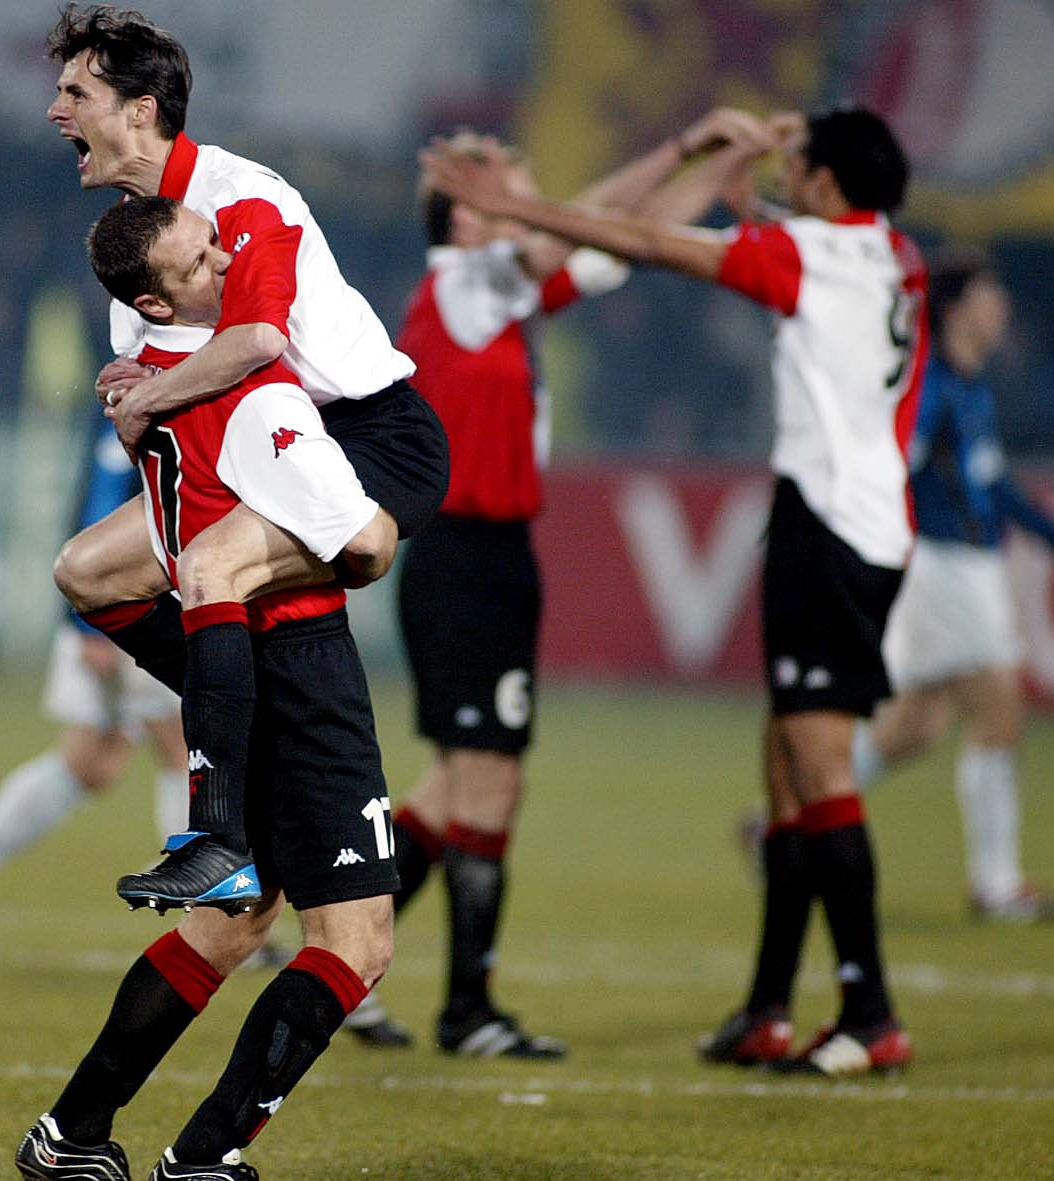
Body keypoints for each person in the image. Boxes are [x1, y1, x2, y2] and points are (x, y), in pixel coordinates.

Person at [423, 105, 925, 1077]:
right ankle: (768, 1007)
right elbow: (772, 229)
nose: (788, 175)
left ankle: (867, 1007)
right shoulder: (892, 255)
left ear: (821, 188)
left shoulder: (804, 258)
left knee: (818, 766)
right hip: (866, 518)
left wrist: (529, 209)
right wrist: (736, 179)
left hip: (826, 525)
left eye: (798, 166)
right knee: (784, 763)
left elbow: (650, 243)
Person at [360, 115, 776, 1057]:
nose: (530, 199)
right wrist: (676, 145)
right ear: (468, 214)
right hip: (465, 557)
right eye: (510, 186)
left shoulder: (507, 289)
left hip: (492, 557)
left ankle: (340, 959)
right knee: (492, 783)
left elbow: (634, 237)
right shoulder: (466, 282)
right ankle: (467, 1009)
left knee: (452, 784)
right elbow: (574, 223)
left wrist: (717, 163)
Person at [16, 194, 397, 1181]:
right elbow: (360, 542)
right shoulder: (260, 397)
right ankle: (202, 1154)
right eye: (200, 257)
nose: (226, 261)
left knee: (230, 921)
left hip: (225, 659)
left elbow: (119, 558)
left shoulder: (146, 378)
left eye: (217, 241)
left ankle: (70, 1132)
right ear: (156, 294)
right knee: (353, 943)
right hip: (303, 668)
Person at [42, 4, 449, 914]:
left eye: (76, 91)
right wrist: (137, 399)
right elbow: (167, 398)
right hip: (269, 445)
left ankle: (219, 834)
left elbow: (260, 337)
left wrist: (144, 396)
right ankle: (244, 723)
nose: (55, 110)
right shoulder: (138, 239)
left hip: (371, 439)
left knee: (212, 565)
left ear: (140, 109)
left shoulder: (240, 197)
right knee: (88, 570)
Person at [854, 248, 1054, 922]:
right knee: (999, 712)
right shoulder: (934, 387)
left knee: (913, 725)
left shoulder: (971, 387)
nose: (1005, 309)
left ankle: (783, 822)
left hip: (967, 566)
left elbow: (993, 484)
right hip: (946, 565)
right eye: (993, 297)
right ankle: (995, 883)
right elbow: (892, 468)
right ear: (959, 309)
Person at [0, 404, 187, 953]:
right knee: (186, 743)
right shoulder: (153, 393)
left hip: (124, 602)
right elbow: (103, 497)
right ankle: (216, 914)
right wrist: (92, 624)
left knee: (92, 761)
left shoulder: (157, 382)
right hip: (130, 604)